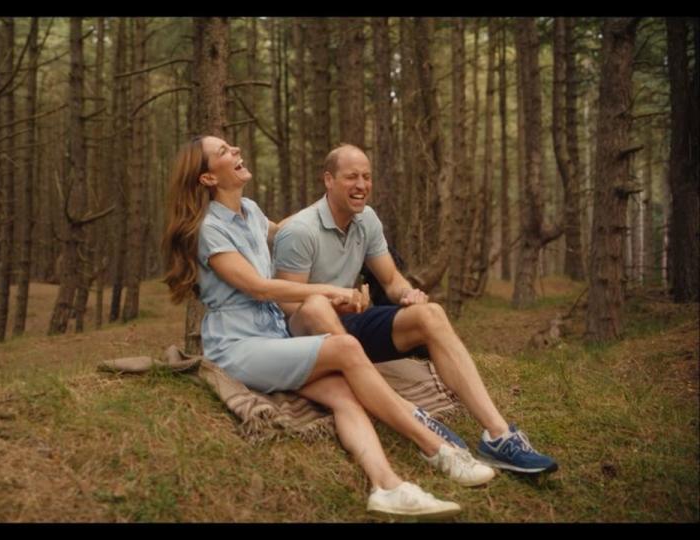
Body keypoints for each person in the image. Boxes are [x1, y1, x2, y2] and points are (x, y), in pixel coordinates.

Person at [163, 135, 496, 519]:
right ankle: (438, 449)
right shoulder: (209, 229)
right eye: (224, 152)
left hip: (274, 340)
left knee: (343, 394)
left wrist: (335, 200)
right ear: (207, 178)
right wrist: (328, 290)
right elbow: (257, 287)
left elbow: (285, 228)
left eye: (232, 147)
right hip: (237, 346)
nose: (236, 151)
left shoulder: (250, 211)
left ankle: (387, 486)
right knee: (347, 349)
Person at [273, 143, 558, 475]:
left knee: (431, 314)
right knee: (316, 305)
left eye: (366, 177)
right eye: (351, 177)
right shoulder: (300, 231)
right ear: (328, 180)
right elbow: (288, 304)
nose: (361, 185)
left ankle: (498, 435)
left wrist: (410, 295)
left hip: (351, 322)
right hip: (308, 334)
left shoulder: (367, 221)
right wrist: (334, 298)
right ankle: (405, 410)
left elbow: (392, 280)